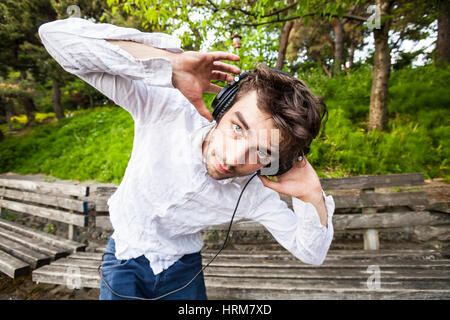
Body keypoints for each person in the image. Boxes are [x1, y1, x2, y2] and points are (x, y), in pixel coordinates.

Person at [38, 17, 335, 300]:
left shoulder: (255, 193)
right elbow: (56, 37)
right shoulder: (166, 106)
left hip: (184, 271)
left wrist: (313, 198)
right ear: (223, 105)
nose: (232, 159)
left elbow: (312, 252)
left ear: (277, 163)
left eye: (262, 152)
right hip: (123, 257)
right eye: (237, 127)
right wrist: (170, 63)